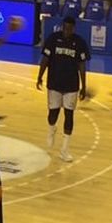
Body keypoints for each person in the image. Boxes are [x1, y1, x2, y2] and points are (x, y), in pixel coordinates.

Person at [36, 16, 89, 162]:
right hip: (54, 83)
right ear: (62, 27)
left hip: (71, 85)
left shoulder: (79, 43)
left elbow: (82, 66)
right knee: (53, 114)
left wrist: (84, 86)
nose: (67, 31)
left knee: (69, 115)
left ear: (74, 28)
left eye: (70, 29)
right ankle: (52, 129)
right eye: (65, 28)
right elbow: (45, 59)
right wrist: (39, 76)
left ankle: (64, 150)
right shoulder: (53, 39)